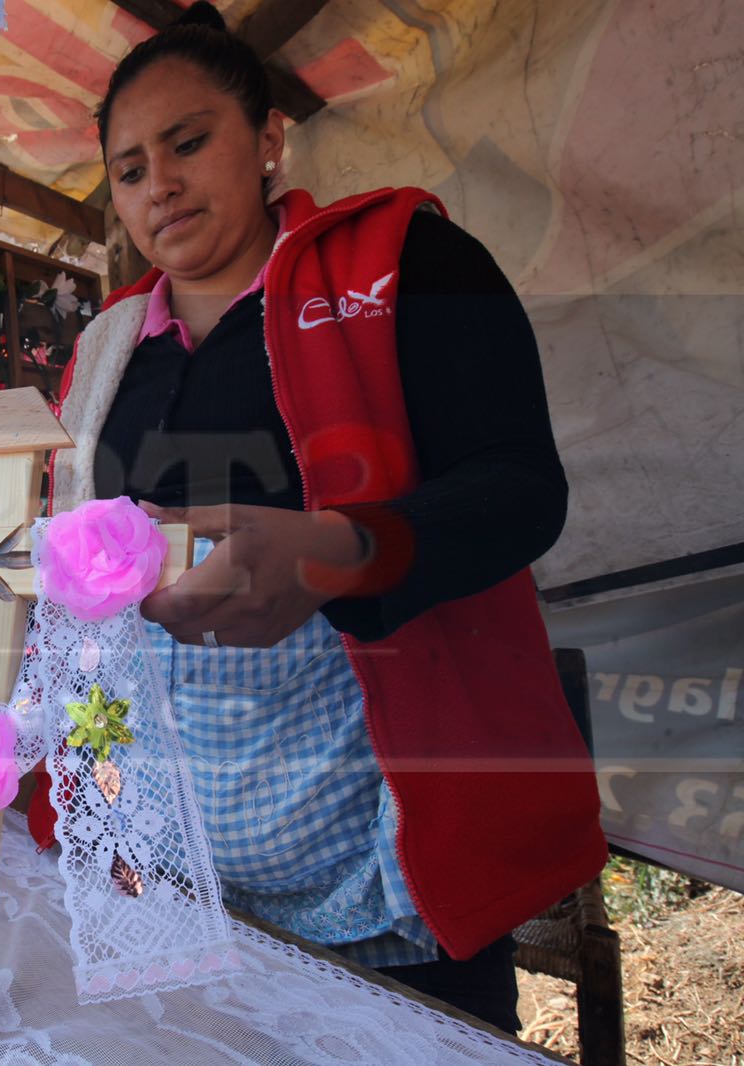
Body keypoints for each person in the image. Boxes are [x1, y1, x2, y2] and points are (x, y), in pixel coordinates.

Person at [42, 2, 606, 1033]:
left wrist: (344, 550)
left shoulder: (403, 264)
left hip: (379, 872)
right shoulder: (104, 354)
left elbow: (522, 486)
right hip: (169, 870)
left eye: (187, 142)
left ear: (266, 140)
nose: (156, 184)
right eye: (128, 169)